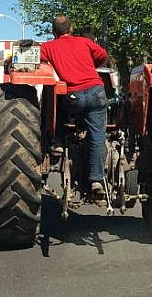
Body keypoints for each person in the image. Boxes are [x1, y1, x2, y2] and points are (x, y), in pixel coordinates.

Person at [40, 15, 109, 195]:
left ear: (54, 32)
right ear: (71, 29)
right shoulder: (84, 43)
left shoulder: (48, 47)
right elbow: (103, 55)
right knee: (98, 137)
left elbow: (32, 58)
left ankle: (58, 141)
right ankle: (96, 180)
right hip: (96, 92)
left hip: (73, 96)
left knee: (58, 104)